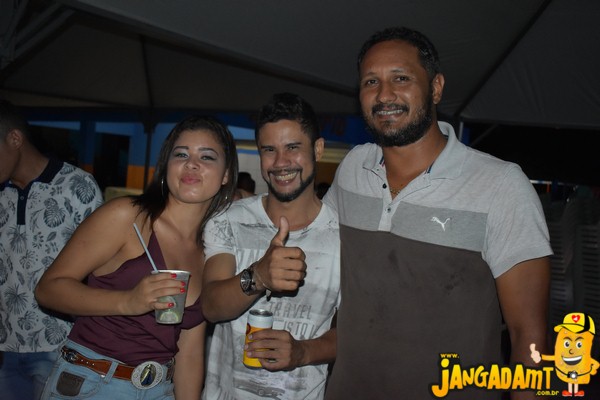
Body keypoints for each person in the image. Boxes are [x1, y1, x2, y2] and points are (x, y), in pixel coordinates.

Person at [323, 27, 552, 400]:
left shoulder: (501, 185)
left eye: (401, 78)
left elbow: (529, 336)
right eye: (370, 81)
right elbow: (316, 250)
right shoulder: (352, 169)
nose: (384, 95)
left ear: (436, 88)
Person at [34, 115, 238, 399]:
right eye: (181, 154)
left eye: (207, 156)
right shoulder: (128, 217)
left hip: (160, 389)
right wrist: (128, 301)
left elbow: (190, 352)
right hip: (93, 383)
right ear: (166, 165)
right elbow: (48, 289)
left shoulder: (211, 251)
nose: (192, 164)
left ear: (226, 174)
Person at [201, 92, 340, 400]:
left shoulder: (344, 236)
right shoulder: (229, 220)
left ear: (318, 149)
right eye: (269, 150)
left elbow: (357, 333)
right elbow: (210, 306)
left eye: (293, 147)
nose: (280, 162)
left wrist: (304, 352)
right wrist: (259, 276)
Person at [0, 100, 103, 400]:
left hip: (60, 347)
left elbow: (101, 270)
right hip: (5, 348)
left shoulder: (77, 186)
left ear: (15, 139)